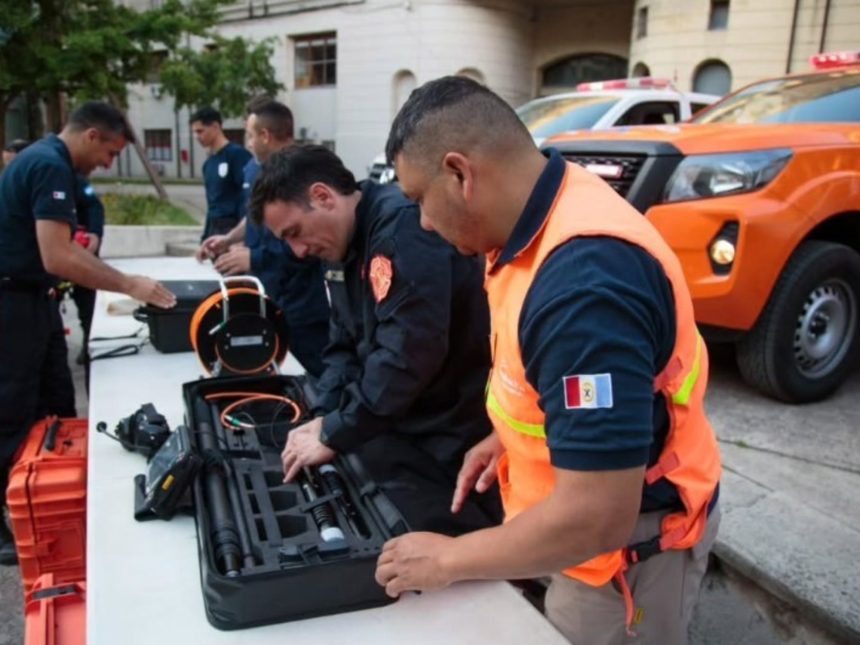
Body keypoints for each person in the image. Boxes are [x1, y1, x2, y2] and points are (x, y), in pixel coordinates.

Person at [374, 76, 722, 644]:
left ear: (460, 174)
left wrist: (447, 560)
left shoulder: (584, 288)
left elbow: (597, 515)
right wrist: (509, 437)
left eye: (418, 200)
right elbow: (555, 377)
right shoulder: (540, 214)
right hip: (581, 538)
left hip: (622, 561)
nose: (424, 224)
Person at [249, 145, 502, 535]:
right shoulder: (342, 243)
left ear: (323, 196)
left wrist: (336, 430)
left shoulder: (400, 229)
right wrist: (322, 416)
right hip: (405, 424)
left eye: (294, 233)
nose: (297, 251)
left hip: (451, 437)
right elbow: (343, 344)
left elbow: (409, 353)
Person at [0, 101, 176, 566]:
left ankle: (53, 492)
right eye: (110, 152)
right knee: (11, 409)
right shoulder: (48, 165)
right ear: (92, 134)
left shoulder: (48, 162)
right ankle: (11, 518)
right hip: (13, 304)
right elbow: (57, 255)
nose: (108, 163)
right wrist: (129, 284)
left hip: (35, 300)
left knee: (56, 404)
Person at [196, 100, 329, 377]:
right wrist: (228, 239)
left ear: (265, 135)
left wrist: (254, 258)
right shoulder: (256, 170)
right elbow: (254, 216)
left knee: (313, 377)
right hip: (266, 297)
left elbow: (309, 243)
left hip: (299, 305)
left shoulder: (302, 173)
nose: (248, 143)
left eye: (250, 135)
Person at [190, 106, 252, 239]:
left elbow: (248, 196)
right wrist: (205, 236)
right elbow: (212, 205)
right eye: (194, 132)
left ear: (215, 126)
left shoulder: (237, 155)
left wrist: (241, 236)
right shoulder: (208, 164)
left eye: (200, 131)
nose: (196, 137)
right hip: (215, 230)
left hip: (234, 229)